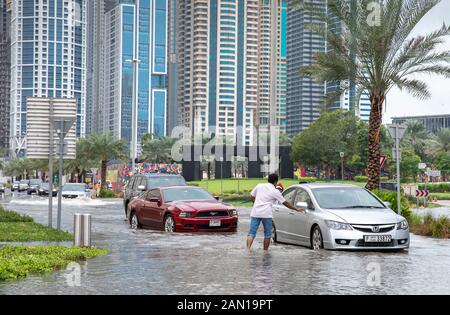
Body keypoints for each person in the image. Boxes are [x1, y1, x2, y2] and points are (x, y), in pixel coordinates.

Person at [247, 174, 304, 251]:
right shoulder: (275, 191)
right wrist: (296, 209)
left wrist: (255, 203)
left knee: (251, 233)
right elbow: (285, 203)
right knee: (267, 234)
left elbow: (252, 196)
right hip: (266, 214)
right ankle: (265, 252)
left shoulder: (259, 186)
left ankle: (247, 250)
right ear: (275, 182)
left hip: (255, 212)